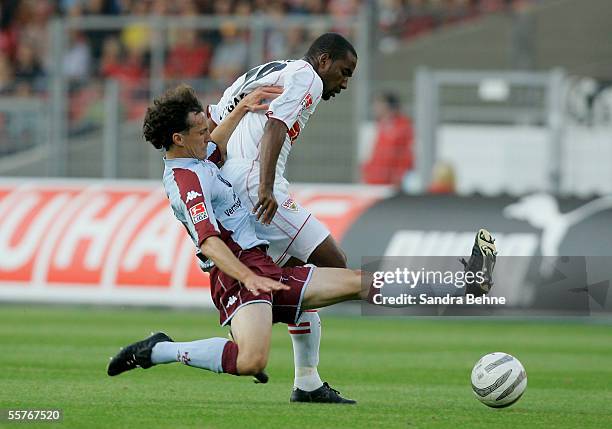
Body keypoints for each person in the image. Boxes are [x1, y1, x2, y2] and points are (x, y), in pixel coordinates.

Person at [107, 85, 497, 405]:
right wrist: (248, 276)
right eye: (199, 128)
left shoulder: (196, 157)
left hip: (261, 265)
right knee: (250, 360)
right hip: (238, 277)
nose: (208, 132)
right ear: (178, 138)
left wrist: (241, 109)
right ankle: (158, 350)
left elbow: (214, 145)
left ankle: (464, 281)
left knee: (362, 282)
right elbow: (209, 242)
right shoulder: (185, 182)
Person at [206, 33, 357, 398]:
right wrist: (265, 186)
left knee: (298, 274)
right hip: (257, 185)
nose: (345, 82)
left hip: (231, 185)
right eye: (344, 71)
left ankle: (307, 381)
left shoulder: (262, 73)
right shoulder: (306, 76)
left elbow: (213, 129)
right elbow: (275, 125)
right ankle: (255, 314)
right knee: (336, 267)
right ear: (323, 60)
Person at [361, 92, 414, 186]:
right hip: (374, 179)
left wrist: (399, 176)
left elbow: (406, 154)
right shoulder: (379, 126)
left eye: (379, 104)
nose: (375, 107)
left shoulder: (403, 126)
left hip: (392, 181)